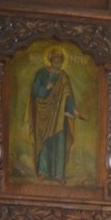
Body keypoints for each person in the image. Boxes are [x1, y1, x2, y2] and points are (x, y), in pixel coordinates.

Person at [29, 49, 77, 182]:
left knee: (60, 142)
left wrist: (73, 109)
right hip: (44, 113)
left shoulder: (63, 76)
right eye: (56, 59)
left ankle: (59, 174)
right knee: (44, 141)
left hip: (59, 115)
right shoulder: (42, 73)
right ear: (51, 59)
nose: (59, 62)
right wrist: (46, 88)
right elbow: (35, 90)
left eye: (61, 60)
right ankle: (43, 171)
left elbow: (67, 94)